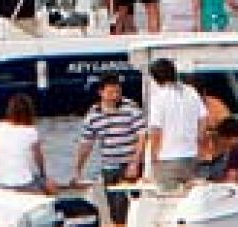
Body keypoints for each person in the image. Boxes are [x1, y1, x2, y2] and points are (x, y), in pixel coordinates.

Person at [71, 73, 145, 227]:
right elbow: (86, 145)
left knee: (134, 208)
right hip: (110, 167)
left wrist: (135, 163)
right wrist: (78, 170)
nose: (115, 96)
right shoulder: (93, 116)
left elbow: (142, 136)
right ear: (101, 92)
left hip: (131, 165)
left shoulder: (130, 107)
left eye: (118, 92)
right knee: (116, 211)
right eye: (111, 92)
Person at [144, 57, 205, 188]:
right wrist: (198, 141)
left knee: (169, 200)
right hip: (191, 155)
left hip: (167, 157)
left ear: (155, 78)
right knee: (190, 198)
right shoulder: (191, 91)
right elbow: (202, 119)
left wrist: (153, 156)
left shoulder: (159, 97)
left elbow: (156, 130)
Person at [0, 93, 52, 194]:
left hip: (4, 181)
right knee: (51, 185)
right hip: (24, 183)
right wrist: (43, 174)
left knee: (32, 176)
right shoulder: (31, 131)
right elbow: (39, 159)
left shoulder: (1, 127)